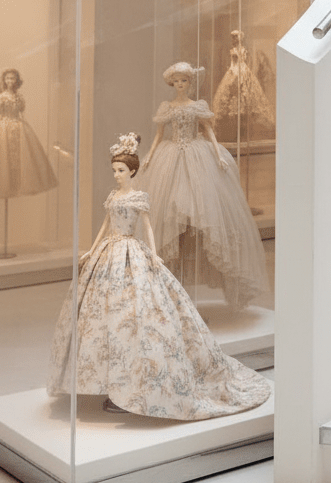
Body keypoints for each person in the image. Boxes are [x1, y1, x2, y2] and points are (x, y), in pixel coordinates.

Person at [47, 134, 271, 419]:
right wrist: (91, 250)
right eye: (114, 170)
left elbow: (147, 227)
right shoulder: (113, 196)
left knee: (139, 315)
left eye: (121, 170)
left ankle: (137, 382)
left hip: (132, 250)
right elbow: (105, 225)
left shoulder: (139, 197)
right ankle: (108, 377)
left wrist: (153, 254)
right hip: (108, 253)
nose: (116, 175)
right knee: (103, 316)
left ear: (133, 172)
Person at [138, 62, 270, 308]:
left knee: (202, 214)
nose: (180, 84)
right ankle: (169, 289)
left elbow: (209, 130)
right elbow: (159, 134)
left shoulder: (197, 106)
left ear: (189, 82)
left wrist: (218, 154)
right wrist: (149, 155)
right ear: (171, 83)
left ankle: (189, 289)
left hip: (198, 156)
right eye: (176, 81)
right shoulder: (167, 107)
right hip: (170, 159)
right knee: (171, 214)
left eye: (184, 81)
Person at [0, 68, 57, 199]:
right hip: (4, 126)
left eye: (12, 78)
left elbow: (21, 111)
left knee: (22, 156)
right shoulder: (2, 97)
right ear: (4, 80)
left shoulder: (19, 96)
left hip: (19, 126)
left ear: (16, 81)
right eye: (7, 78)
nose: (10, 81)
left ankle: (16, 184)